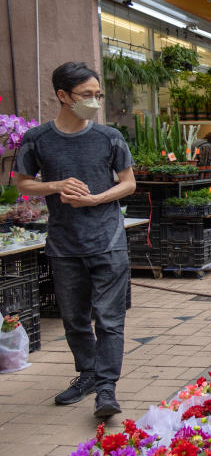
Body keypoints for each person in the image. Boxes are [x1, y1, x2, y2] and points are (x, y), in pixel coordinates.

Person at [14, 62, 135, 418]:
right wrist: (56, 185)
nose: (94, 102)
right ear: (63, 96)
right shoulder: (37, 139)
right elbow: (22, 183)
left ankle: (106, 388)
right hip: (65, 245)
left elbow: (128, 182)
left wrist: (96, 199)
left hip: (108, 241)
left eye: (98, 95)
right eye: (87, 95)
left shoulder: (109, 137)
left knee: (109, 320)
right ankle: (87, 374)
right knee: (75, 319)